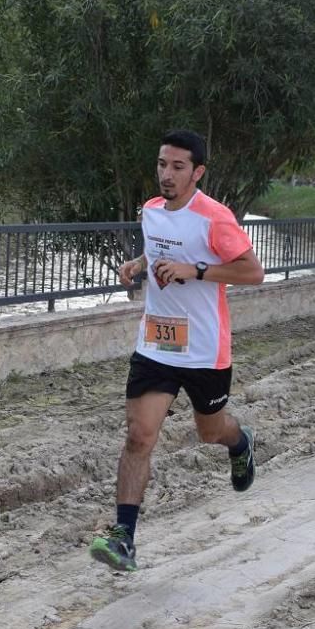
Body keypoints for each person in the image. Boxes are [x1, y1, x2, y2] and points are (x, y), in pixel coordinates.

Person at [89, 129, 265, 572]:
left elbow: (253, 272)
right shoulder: (150, 210)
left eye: (177, 167)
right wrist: (139, 264)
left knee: (210, 432)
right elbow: (158, 249)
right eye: (162, 165)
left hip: (204, 349)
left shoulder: (214, 217)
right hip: (156, 343)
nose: (166, 174)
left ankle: (240, 443)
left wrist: (197, 270)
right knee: (139, 435)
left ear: (197, 172)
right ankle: (123, 538)